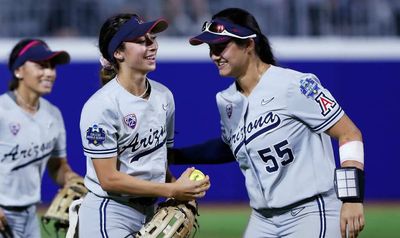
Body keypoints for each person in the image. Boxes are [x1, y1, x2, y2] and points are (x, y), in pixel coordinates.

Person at [172, 7, 365, 238]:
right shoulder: (226, 100)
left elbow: (349, 134)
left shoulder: (296, 85)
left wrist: (352, 198)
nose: (214, 55)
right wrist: (175, 155)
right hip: (263, 218)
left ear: (249, 44)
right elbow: (230, 147)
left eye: (221, 46)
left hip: (312, 212)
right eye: (211, 48)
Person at [78, 13, 210, 237]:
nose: (153, 46)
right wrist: (172, 189)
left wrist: (181, 189)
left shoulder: (163, 96)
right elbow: (109, 179)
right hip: (110, 213)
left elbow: (159, 158)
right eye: (141, 41)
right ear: (118, 53)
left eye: (153, 38)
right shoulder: (102, 106)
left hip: (150, 213)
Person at [0, 39, 81, 238]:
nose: (50, 73)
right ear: (19, 71)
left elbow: (57, 166)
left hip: (31, 215)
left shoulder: (53, 114)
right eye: (41, 66)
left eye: (52, 66)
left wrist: (71, 178)